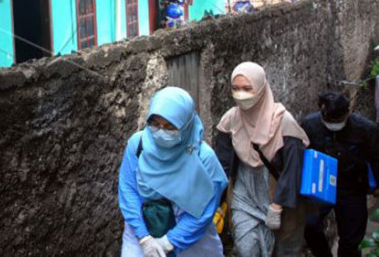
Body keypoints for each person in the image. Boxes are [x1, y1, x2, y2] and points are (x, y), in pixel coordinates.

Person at [118, 87, 228, 256]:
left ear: (186, 125)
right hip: (142, 229)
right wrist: (144, 238)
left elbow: (205, 210)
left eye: (170, 127)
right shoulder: (138, 145)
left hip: (191, 238)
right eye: (155, 124)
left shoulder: (203, 158)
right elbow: (128, 190)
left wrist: (170, 242)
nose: (161, 131)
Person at [214, 62, 309, 257]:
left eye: (247, 88)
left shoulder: (284, 122)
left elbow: (293, 169)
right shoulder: (230, 120)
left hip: (277, 194)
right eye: (236, 88)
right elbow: (221, 165)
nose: (241, 94)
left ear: (261, 88)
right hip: (244, 193)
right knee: (246, 248)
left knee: (284, 249)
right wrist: (215, 201)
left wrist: (277, 205)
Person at [302, 91, 379, 257]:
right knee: (309, 225)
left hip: (352, 187)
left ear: (348, 113)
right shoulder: (310, 125)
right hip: (321, 186)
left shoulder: (366, 129)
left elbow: (376, 158)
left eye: (337, 120)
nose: (333, 124)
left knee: (351, 239)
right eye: (329, 119)